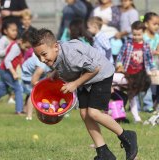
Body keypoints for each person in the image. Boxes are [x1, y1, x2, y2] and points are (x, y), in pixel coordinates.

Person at [29, 28, 138, 160]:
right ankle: (103, 152)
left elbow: (95, 68)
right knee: (84, 114)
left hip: (101, 74)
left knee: (93, 113)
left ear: (55, 46)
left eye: (44, 54)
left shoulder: (70, 54)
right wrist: (56, 73)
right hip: (84, 78)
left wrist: (74, 84)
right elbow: (67, 66)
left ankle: (127, 136)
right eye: (38, 56)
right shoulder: (56, 54)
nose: (41, 59)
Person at [116, 21, 156, 122]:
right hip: (126, 74)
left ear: (143, 33)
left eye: (139, 34)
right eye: (134, 34)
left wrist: (153, 69)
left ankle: (136, 116)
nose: (136, 37)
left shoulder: (146, 46)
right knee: (122, 94)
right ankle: (121, 115)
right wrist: (119, 65)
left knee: (132, 95)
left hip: (139, 76)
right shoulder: (128, 43)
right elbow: (120, 56)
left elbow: (150, 60)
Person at [20, 30, 51, 120]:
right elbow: (34, 81)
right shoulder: (42, 64)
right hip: (27, 76)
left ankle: (28, 110)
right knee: (34, 94)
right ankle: (29, 116)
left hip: (33, 74)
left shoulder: (49, 64)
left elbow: (49, 76)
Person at [0, 19, 23, 114]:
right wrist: (7, 51)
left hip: (8, 67)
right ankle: (19, 110)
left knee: (4, 88)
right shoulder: (3, 40)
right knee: (17, 88)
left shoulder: (15, 41)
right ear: (5, 31)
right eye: (12, 30)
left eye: (16, 30)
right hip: (3, 67)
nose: (15, 32)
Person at [142, 12, 159, 111]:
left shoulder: (157, 37)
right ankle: (147, 106)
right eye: (154, 24)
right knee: (147, 85)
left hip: (153, 65)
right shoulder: (142, 36)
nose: (157, 26)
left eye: (158, 24)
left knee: (154, 85)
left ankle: (153, 105)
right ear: (146, 24)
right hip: (143, 65)